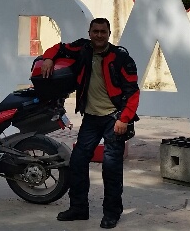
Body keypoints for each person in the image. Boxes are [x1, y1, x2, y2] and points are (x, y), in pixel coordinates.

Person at [40, 18, 139, 229]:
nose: (99, 35)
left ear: (109, 34)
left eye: (103, 31)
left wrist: (124, 119)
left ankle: (112, 213)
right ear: (90, 33)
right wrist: (48, 58)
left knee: (111, 168)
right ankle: (79, 208)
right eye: (96, 31)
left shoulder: (121, 57)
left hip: (114, 119)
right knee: (77, 162)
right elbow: (59, 48)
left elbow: (133, 92)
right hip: (91, 118)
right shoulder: (83, 49)